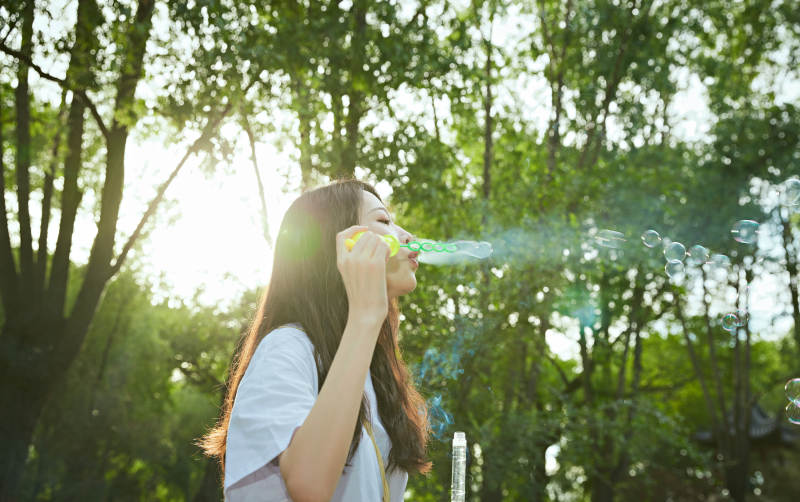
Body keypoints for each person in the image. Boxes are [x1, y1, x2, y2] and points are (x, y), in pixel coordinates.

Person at [200, 179, 431, 501]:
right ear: (338, 243)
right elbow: (308, 484)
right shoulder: (286, 348)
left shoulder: (369, 371)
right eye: (383, 220)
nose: (409, 237)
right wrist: (365, 316)